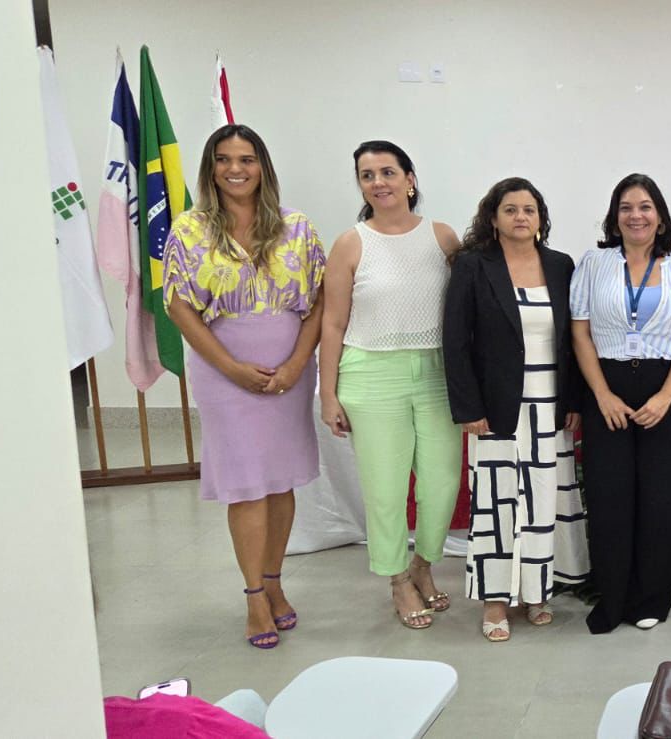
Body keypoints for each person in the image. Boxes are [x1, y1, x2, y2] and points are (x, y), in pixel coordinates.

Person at [162, 124, 325, 649]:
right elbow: (179, 306)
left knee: (279, 482)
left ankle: (276, 585)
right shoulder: (188, 229)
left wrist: (299, 362)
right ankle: (254, 596)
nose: (237, 169)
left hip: (289, 373)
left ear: (263, 167)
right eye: (225, 159)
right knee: (246, 484)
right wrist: (230, 367)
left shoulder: (297, 227)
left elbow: (322, 299)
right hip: (223, 372)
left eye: (248, 159)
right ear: (211, 167)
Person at [317, 140, 462, 630]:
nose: (378, 182)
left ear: (410, 179)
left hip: (437, 373)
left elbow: (466, 313)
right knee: (385, 488)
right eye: (367, 175)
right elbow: (332, 323)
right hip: (370, 373)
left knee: (442, 483)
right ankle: (397, 580)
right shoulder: (351, 243)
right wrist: (328, 392)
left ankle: (424, 565)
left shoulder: (443, 239)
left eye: (387, 172)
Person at [443, 177, 590, 642]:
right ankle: (494, 601)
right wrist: (468, 406)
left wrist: (573, 402)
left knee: (543, 498)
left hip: (550, 404)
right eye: (510, 209)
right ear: (493, 217)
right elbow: (456, 341)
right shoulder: (472, 266)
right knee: (497, 502)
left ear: (541, 218)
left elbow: (574, 340)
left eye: (529, 209)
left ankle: (536, 592)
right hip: (496, 407)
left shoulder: (561, 265)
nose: (521, 217)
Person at [571, 173, 671, 634]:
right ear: (615, 217)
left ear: (661, 217)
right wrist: (602, 394)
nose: (636, 215)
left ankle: (651, 597)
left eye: (645, 207)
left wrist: (667, 396)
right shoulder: (593, 263)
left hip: (661, 387)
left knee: (659, 497)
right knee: (609, 496)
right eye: (626, 207)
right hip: (606, 386)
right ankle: (611, 598)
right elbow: (580, 332)